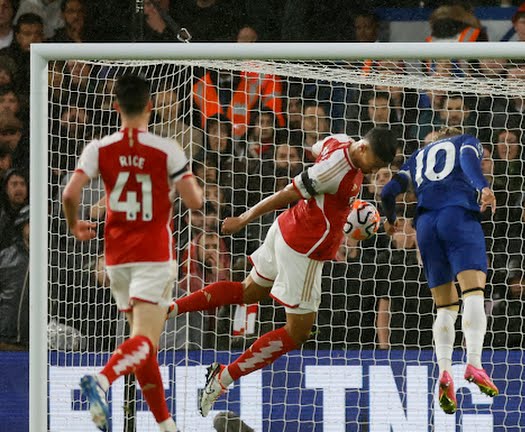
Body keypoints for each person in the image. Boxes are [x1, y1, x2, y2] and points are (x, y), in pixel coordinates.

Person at [166, 127, 397, 417]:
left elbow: (316, 148)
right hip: (304, 250)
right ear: (363, 149)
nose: (373, 170)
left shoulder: (340, 141)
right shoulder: (333, 172)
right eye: (373, 163)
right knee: (297, 332)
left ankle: (172, 307)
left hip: (287, 228)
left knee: (248, 291)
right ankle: (223, 378)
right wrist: (243, 219)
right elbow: (288, 192)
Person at [61, 74, 203, 432]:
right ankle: (102, 380)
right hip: (153, 255)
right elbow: (195, 200)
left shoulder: (99, 147)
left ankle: (167, 425)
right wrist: (174, 185)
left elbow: (69, 194)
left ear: (116, 106)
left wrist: (76, 225)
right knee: (144, 341)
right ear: (151, 106)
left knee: (142, 346)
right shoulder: (167, 148)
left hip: (117, 258)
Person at [378, 126, 498, 415]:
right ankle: (474, 364)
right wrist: (483, 187)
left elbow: (386, 191)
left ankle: (444, 372)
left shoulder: (416, 157)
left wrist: (391, 219)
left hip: (426, 226)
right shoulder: (465, 142)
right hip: (457, 215)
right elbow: (470, 163)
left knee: (445, 306)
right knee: (472, 293)